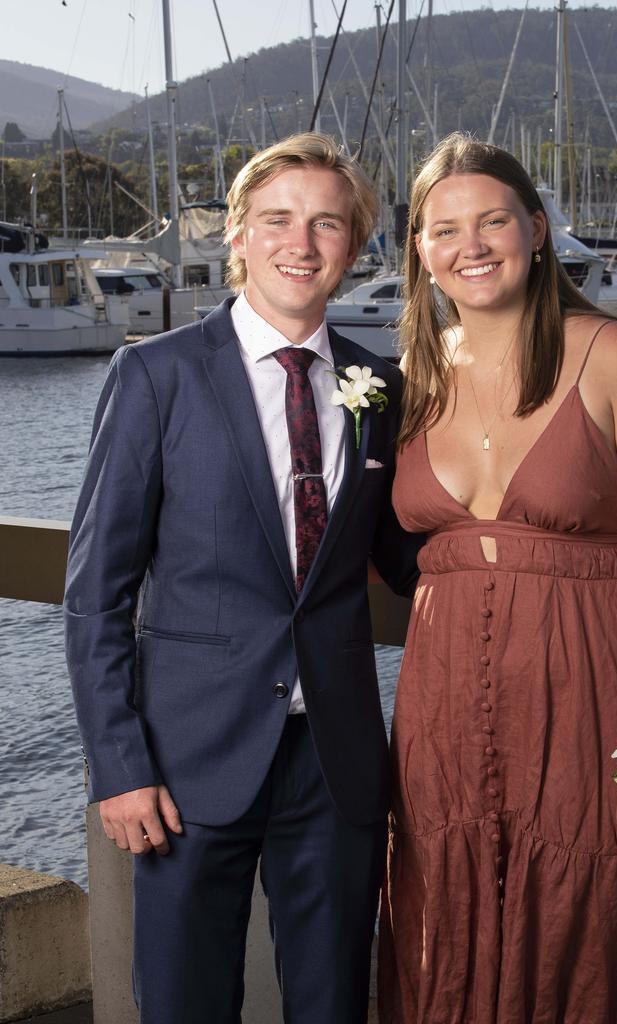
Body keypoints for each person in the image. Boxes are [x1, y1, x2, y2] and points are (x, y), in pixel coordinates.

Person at [63, 132, 422, 1024]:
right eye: (278, 219)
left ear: (355, 244)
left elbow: (415, 562)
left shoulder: (378, 387)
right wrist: (119, 767)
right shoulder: (155, 375)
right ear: (236, 231)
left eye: (327, 223)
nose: (301, 242)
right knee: (185, 1004)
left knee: (334, 1003)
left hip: (334, 765)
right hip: (185, 765)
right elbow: (95, 593)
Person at [377, 133, 617, 1023]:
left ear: (537, 227)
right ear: (419, 250)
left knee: (589, 937)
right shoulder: (408, 379)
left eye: (493, 221)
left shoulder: (613, 357)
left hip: (591, 721)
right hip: (442, 726)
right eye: (445, 229)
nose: (471, 245)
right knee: (442, 930)